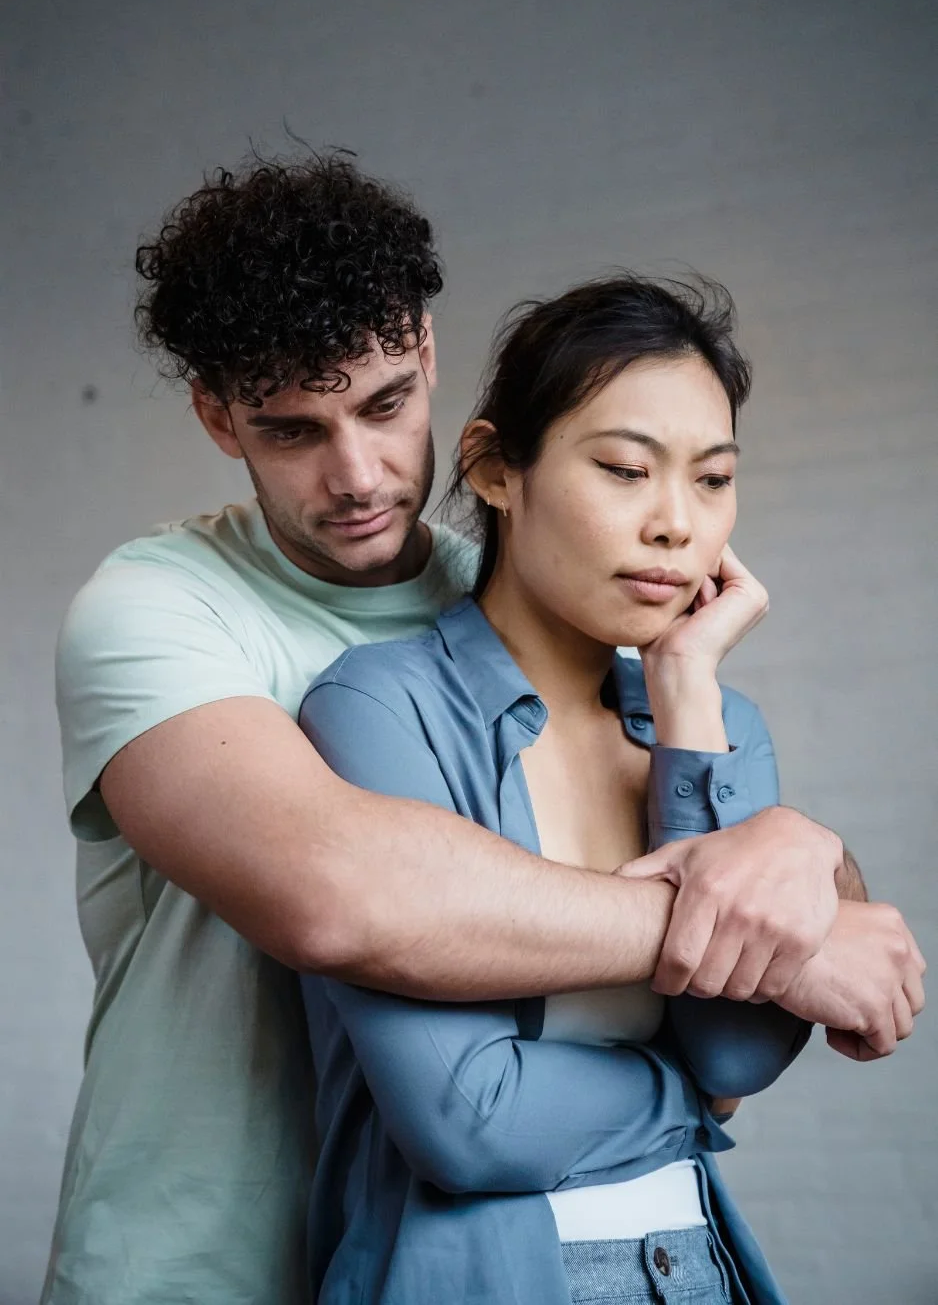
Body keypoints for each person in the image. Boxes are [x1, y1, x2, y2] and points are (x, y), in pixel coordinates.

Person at [44, 151, 923, 1305]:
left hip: (439, 1245)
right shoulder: (156, 607)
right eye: (291, 430)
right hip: (194, 1256)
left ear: (426, 352)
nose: (356, 474)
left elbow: (701, 821)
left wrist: (804, 857)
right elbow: (342, 895)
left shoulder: (514, 594)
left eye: (383, 404)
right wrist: (775, 942)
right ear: (217, 416)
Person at [295, 274, 873, 1304]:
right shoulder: (377, 709)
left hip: (694, 1269)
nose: (672, 522)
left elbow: (734, 1047)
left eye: (710, 479)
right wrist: (690, 1095)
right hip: (476, 1276)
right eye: (622, 468)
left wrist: (687, 698)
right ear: (492, 467)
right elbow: (466, 1119)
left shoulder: (724, 729)